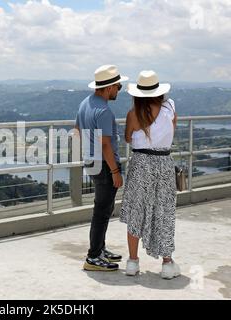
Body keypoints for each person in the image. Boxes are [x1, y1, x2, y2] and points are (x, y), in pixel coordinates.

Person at [120, 70, 181, 279]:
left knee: (136, 211)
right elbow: (171, 131)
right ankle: (167, 263)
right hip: (164, 163)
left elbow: (128, 138)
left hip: (140, 164)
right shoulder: (170, 107)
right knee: (164, 211)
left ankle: (132, 262)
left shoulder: (133, 114)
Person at [75, 65, 129, 271]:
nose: (119, 89)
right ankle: (93, 257)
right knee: (102, 211)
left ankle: (100, 248)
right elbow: (106, 144)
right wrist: (115, 171)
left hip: (91, 162)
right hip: (105, 165)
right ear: (108, 88)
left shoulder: (85, 103)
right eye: (118, 86)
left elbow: (77, 130)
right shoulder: (104, 111)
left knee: (102, 209)